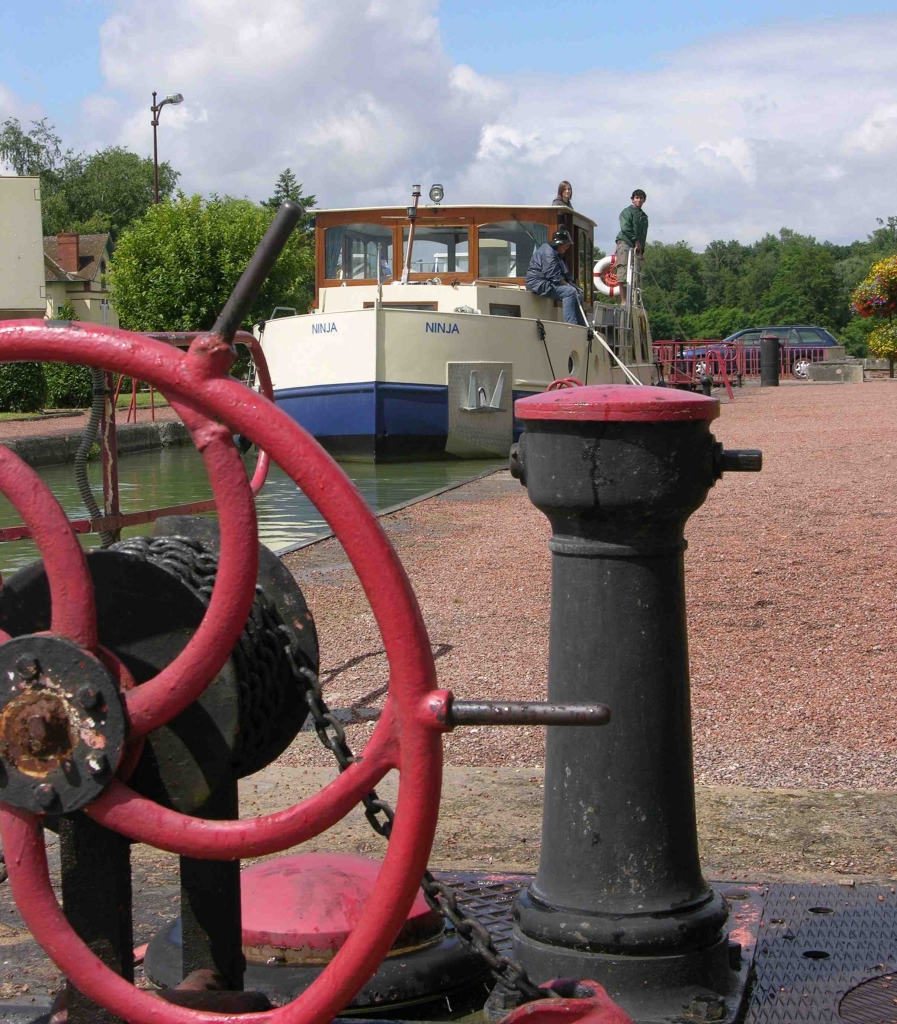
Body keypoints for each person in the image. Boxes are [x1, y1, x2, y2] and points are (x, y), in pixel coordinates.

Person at [526, 228, 584, 325]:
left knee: (578, 293)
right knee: (570, 292)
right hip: (537, 283)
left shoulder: (555, 252)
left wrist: (573, 285)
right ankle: (571, 325)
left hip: (546, 282)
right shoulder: (548, 253)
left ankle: (583, 327)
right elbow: (553, 275)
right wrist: (569, 286)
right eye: (566, 245)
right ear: (559, 244)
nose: (568, 247)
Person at [615, 189, 648, 305]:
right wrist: (635, 240)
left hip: (637, 247)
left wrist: (641, 251)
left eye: (641, 198)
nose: (639, 200)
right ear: (632, 199)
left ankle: (634, 301)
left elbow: (643, 235)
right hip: (625, 242)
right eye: (636, 198)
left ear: (644, 200)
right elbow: (625, 227)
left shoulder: (644, 217)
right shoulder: (626, 212)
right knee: (623, 271)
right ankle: (624, 301)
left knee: (636, 274)